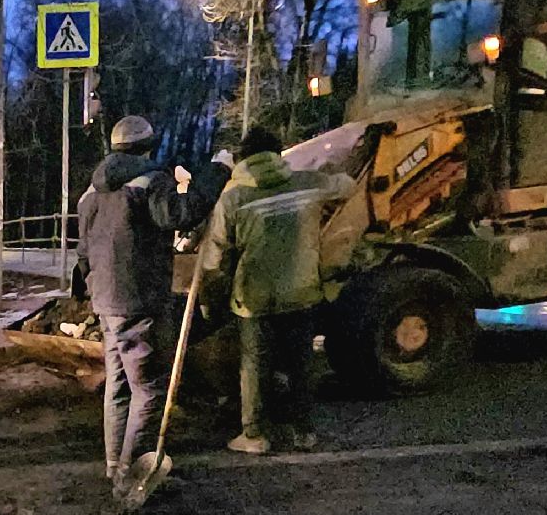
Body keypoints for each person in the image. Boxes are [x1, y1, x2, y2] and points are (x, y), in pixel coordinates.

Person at [200, 127, 355, 454]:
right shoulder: (307, 183)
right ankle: (303, 432)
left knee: (254, 365)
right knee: (300, 363)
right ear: (277, 153)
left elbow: (214, 253)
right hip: (301, 292)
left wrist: (209, 292)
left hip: (253, 297)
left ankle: (254, 435)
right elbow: (348, 186)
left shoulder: (233, 198)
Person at [75, 115, 182, 491]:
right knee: (148, 390)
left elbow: (83, 253)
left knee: (118, 386)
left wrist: (92, 288)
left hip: (106, 303)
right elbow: (180, 215)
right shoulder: (152, 182)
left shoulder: (91, 192)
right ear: (148, 146)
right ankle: (130, 477)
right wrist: (217, 173)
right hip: (139, 301)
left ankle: (113, 467)